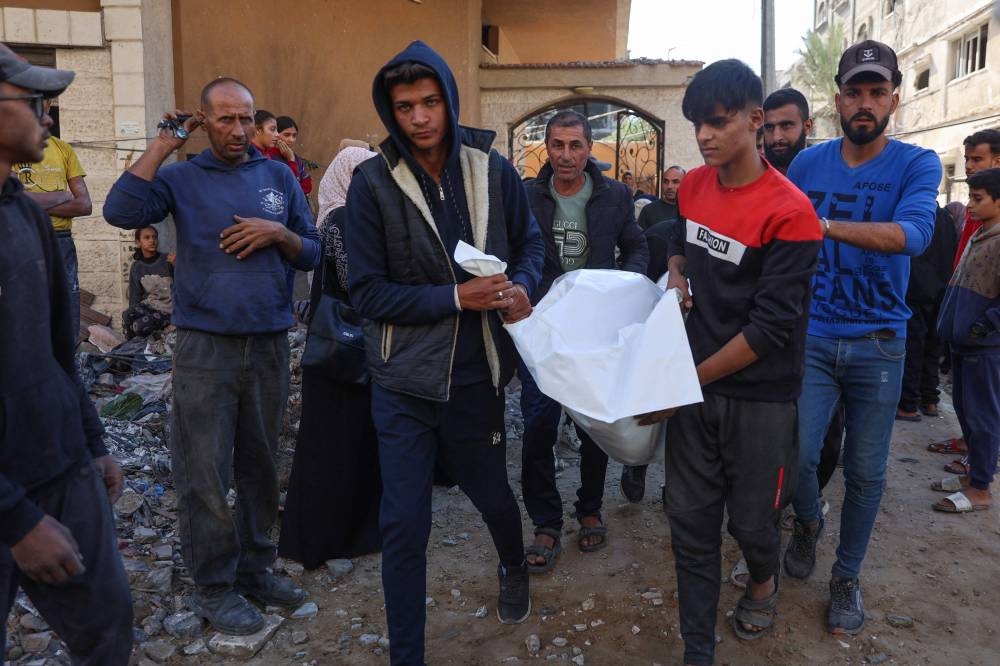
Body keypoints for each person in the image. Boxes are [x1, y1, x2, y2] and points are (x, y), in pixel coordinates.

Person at [344, 41, 544, 665]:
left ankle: (513, 564)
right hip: (402, 381)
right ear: (390, 111)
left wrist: (522, 290)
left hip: (475, 376)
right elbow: (367, 293)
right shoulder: (372, 184)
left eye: (431, 102)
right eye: (405, 106)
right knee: (405, 525)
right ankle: (408, 654)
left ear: (450, 102)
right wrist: (456, 298)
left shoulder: (494, 171)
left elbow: (533, 247)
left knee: (492, 496)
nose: (420, 118)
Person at [103, 77, 320, 635]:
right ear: (202, 120)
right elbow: (120, 211)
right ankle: (214, 587)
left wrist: (278, 233)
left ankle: (256, 570)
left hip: (269, 342)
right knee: (204, 472)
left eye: (246, 118)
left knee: (261, 467)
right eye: (224, 119)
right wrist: (162, 143)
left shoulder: (277, 176)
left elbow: (313, 250)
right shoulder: (180, 177)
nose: (239, 130)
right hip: (205, 348)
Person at [636, 59, 820, 666]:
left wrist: (686, 382)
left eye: (717, 123)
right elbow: (681, 241)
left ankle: (763, 579)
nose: (706, 137)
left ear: (755, 119)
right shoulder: (691, 186)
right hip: (695, 384)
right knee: (689, 523)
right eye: (698, 126)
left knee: (753, 524)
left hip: (761, 395)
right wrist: (676, 277)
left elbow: (770, 330)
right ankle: (698, 650)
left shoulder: (790, 213)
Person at [782, 40, 940, 635]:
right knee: (798, 455)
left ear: (894, 100)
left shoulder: (916, 164)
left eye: (877, 92)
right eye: (855, 91)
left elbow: (915, 234)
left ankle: (846, 575)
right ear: (838, 99)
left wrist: (824, 225)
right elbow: (781, 240)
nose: (865, 102)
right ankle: (805, 523)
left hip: (879, 339)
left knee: (867, 470)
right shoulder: (807, 164)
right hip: (814, 336)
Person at [0, 42, 133, 664]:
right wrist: (16, 520)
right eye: (34, 102)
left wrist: (95, 444)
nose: (47, 117)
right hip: (9, 499)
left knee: (107, 625)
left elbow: (60, 351)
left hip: (60, 470)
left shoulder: (26, 219)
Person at [521, 109, 648, 568]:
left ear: (589, 149)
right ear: (547, 148)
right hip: (543, 330)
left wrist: (623, 286)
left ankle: (590, 510)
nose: (566, 155)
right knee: (537, 425)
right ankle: (545, 522)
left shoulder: (614, 195)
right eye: (558, 145)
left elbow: (636, 245)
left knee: (594, 425)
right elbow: (513, 249)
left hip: (595, 329)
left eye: (576, 146)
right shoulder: (527, 196)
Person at [278, 145, 382, 568]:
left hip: (344, 347)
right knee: (332, 448)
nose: (367, 184)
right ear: (344, 177)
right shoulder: (341, 219)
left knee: (352, 444)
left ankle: (353, 535)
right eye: (358, 175)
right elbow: (359, 282)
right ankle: (323, 540)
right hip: (344, 351)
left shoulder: (348, 217)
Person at [927, 129, 1000, 459]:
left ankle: (982, 473)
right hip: (964, 322)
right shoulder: (979, 217)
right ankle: (971, 453)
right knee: (966, 399)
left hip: (983, 334)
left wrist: (982, 325)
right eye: (967, 158)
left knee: (984, 404)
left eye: (977, 159)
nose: (969, 166)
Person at [14, 98, 91, 340]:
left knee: (66, 306)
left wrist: (28, 201)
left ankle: (65, 370)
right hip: (23, 238)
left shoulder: (63, 149)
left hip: (61, 241)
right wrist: (61, 195)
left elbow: (85, 204)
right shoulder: (10, 148)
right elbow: (9, 201)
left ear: (48, 104)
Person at [895, 205, 957, 421]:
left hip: (915, 291)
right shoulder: (947, 219)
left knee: (912, 348)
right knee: (932, 348)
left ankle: (908, 404)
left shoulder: (912, 216)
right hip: (941, 291)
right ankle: (930, 400)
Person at [122, 226, 175, 338]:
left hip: (171, 310)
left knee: (140, 325)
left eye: (154, 237)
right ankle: (130, 349)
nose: (152, 240)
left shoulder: (168, 260)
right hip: (152, 306)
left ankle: (143, 349)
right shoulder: (137, 267)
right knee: (127, 315)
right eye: (147, 237)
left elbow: (184, 285)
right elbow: (135, 297)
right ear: (138, 242)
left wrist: (177, 266)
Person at [761, 87, 813, 173]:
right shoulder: (751, 175)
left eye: (786, 125)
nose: (776, 137)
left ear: (807, 126)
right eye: (769, 127)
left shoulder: (826, 172)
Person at [637, 165, 685, 231]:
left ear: (685, 183)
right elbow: (640, 239)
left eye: (675, 182)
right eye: (666, 181)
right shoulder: (649, 211)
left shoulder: (691, 210)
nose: (669, 186)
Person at [275, 115, 313, 195]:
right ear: (276, 134)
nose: (291, 140)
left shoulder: (296, 158)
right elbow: (286, 186)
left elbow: (307, 186)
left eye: (294, 135)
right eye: (286, 135)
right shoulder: (269, 156)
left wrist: (292, 159)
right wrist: (291, 161)